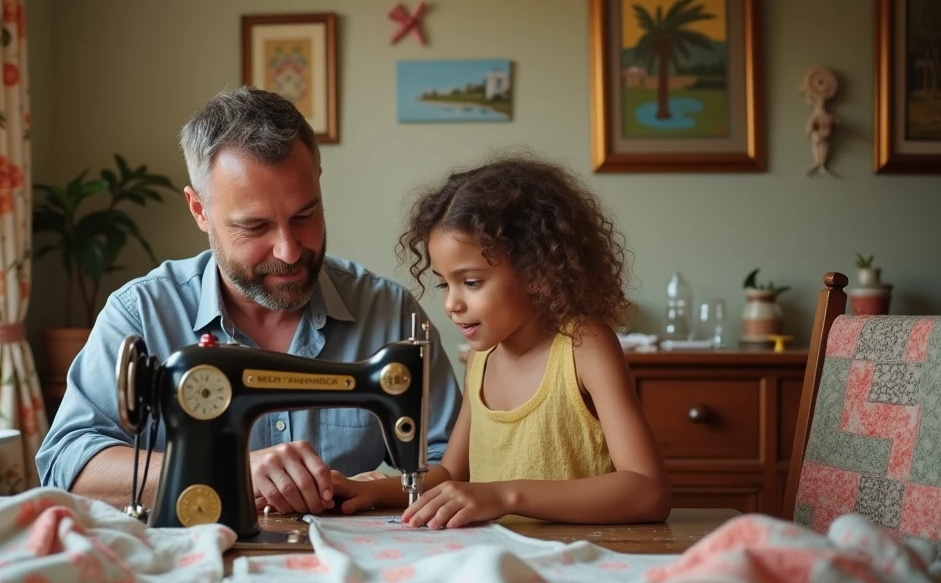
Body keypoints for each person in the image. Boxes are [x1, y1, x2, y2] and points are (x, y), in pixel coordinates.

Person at [36, 87, 461, 515]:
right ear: (199, 209)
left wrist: (374, 486)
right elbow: (68, 463)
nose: (289, 251)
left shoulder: (389, 314)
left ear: (318, 178)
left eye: (304, 215)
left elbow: (457, 463)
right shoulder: (142, 314)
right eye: (255, 226)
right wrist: (221, 469)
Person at [331, 155, 671, 528]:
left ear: (537, 272)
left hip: (576, 563)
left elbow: (647, 491)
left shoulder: (583, 345)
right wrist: (370, 491)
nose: (451, 304)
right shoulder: (482, 358)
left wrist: (504, 496)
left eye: (472, 282)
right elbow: (449, 475)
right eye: (445, 283)